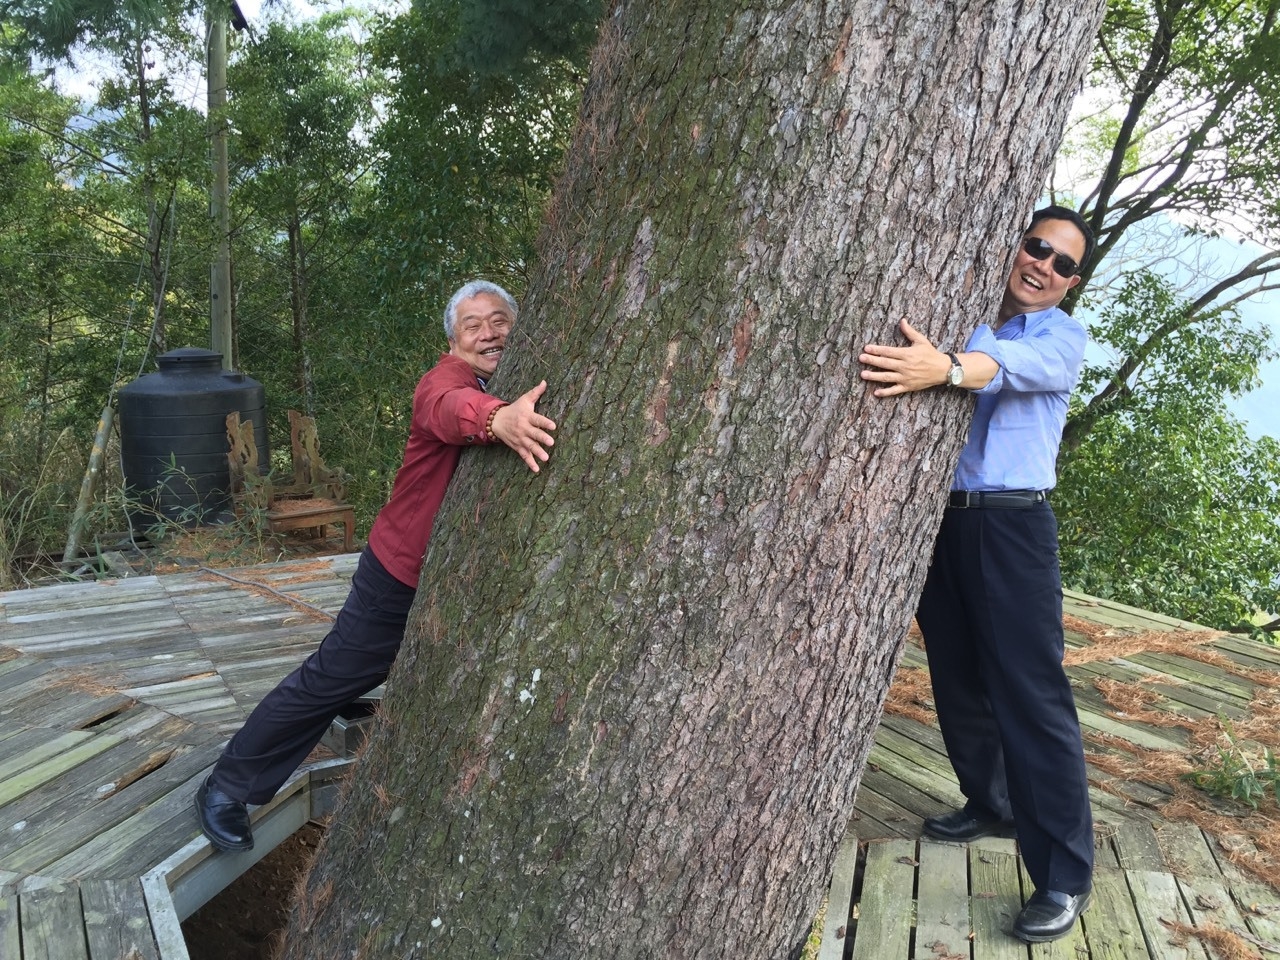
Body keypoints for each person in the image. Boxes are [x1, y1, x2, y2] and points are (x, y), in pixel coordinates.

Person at [195, 280, 556, 853]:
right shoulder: (448, 383)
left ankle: (351, 686)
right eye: (473, 325)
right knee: (329, 675)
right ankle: (227, 784)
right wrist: (498, 421)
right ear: (453, 340)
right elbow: (446, 407)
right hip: (397, 574)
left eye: (500, 320)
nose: (489, 333)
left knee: (358, 669)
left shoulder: (501, 380)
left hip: (431, 572)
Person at [859, 206, 1095, 943]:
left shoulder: (1060, 335)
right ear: (1014, 247)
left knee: (1030, 695)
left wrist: (950, 368)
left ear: (1071, 281)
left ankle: (1061, 876)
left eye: (1061, 263)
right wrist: (951, 356)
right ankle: (989, 800)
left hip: (1012, 525)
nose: (1044, 267)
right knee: (957, 675)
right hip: (943, 521)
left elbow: (1004, 371)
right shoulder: (964, 311)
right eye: (1037, 249)